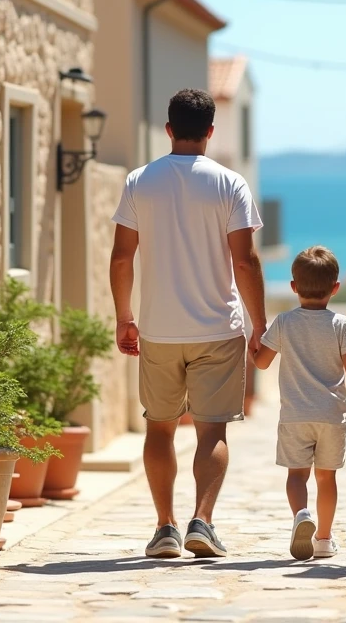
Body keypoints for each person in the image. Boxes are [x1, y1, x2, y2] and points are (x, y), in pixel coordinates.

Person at [109, 88, 267, 560]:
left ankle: (164, 528)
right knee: (211, 431)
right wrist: (259, 323)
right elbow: (247, 261)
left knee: (159, 428)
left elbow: (122, 256)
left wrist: (124, 317)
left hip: (158, 328)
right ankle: (203, 520)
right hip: (218, 327)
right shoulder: (230, 184)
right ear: (211, 132)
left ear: (169, 129)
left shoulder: (140, 181)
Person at [253, 246, 346, 560]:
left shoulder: (284, 322)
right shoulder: (342, 324)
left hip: (295, 415)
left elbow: (261, 364)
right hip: (331, 416)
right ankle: (323, 538)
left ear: (294, 286)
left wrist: (252, 346)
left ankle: (301, 515)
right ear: (335, 288)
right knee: (327, 478)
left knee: (297, 476)